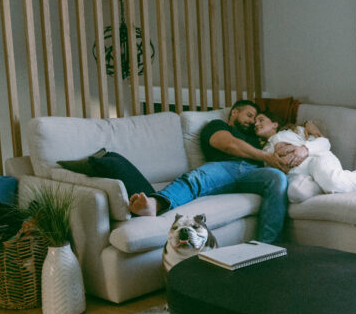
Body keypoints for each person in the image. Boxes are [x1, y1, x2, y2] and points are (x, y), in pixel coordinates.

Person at [128, 100, 300, 242]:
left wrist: (306, 142)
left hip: (254, 172)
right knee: (196, 178)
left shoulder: (258, 137)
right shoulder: (217, 125)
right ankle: (155, 204)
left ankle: (267, 247)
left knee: (277, 178)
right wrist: (266, 156)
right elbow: (226, 143)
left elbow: (292, 136)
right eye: (249, 115)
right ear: (234, 112)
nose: (252, 121)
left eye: (255, 119)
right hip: (224, 168)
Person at [253, 110, 356, 203]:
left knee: (333, 182)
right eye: (255, 122)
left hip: (317, 160)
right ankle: (329, 183)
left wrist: (303, 149)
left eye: (261, 120)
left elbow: (324, 142)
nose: (256, 124)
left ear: (274, 124)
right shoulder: (263, 151)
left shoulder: (294, 131)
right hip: (299, 175)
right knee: (295, 193)